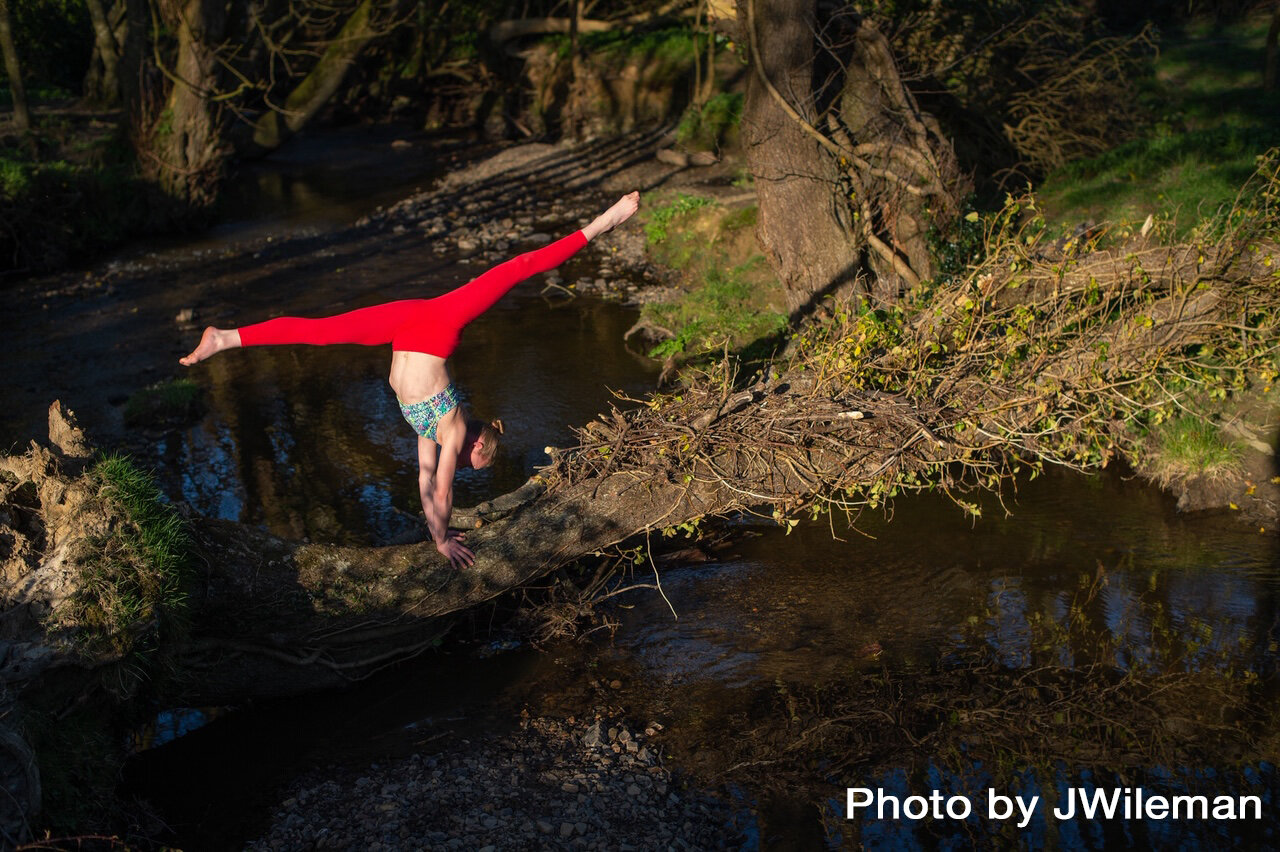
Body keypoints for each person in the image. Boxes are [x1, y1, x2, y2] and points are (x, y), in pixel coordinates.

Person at [180, 191, 640, 568]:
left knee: (319, 333)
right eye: (467, 464)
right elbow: (441, 489)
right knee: (518, 268)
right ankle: (606, 220)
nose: (458, 465)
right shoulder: (453, 426)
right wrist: (442, 541)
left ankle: (224, 338)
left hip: (405, 328)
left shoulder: (430, 433)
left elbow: (424, 482)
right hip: (439, 322)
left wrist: (434, 526)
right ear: (476, 444)